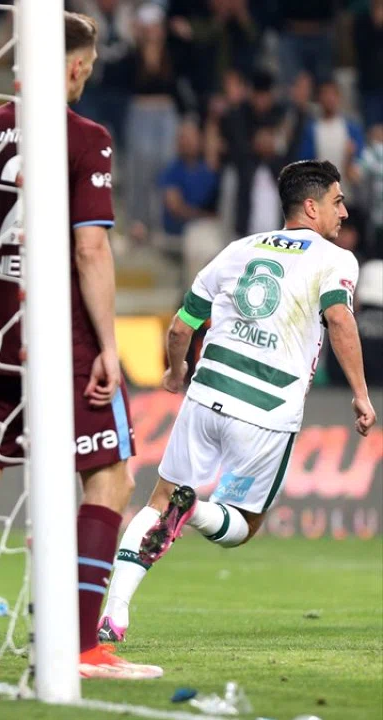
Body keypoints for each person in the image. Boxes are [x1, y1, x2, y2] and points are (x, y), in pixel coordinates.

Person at [0, 12, 161, 680]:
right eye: (88, 65)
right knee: (109, 478)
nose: (87, 76)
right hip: (61, 343)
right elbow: (90, 247)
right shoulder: (85, 138)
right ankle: (81, 647)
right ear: (73, 66)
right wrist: (109, 346)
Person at [100, 160, 374, 641]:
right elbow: (339, 320)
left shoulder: (237, 249)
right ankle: (194, 511)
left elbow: (181, 326)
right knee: (243, 526)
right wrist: (361, 395)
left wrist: (176, 372)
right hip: (268, 407)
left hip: (207, 393)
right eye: (337, 201)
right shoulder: (336, 259)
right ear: (312, 208)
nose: (345, 212)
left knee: (157, 500)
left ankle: (114, 613)